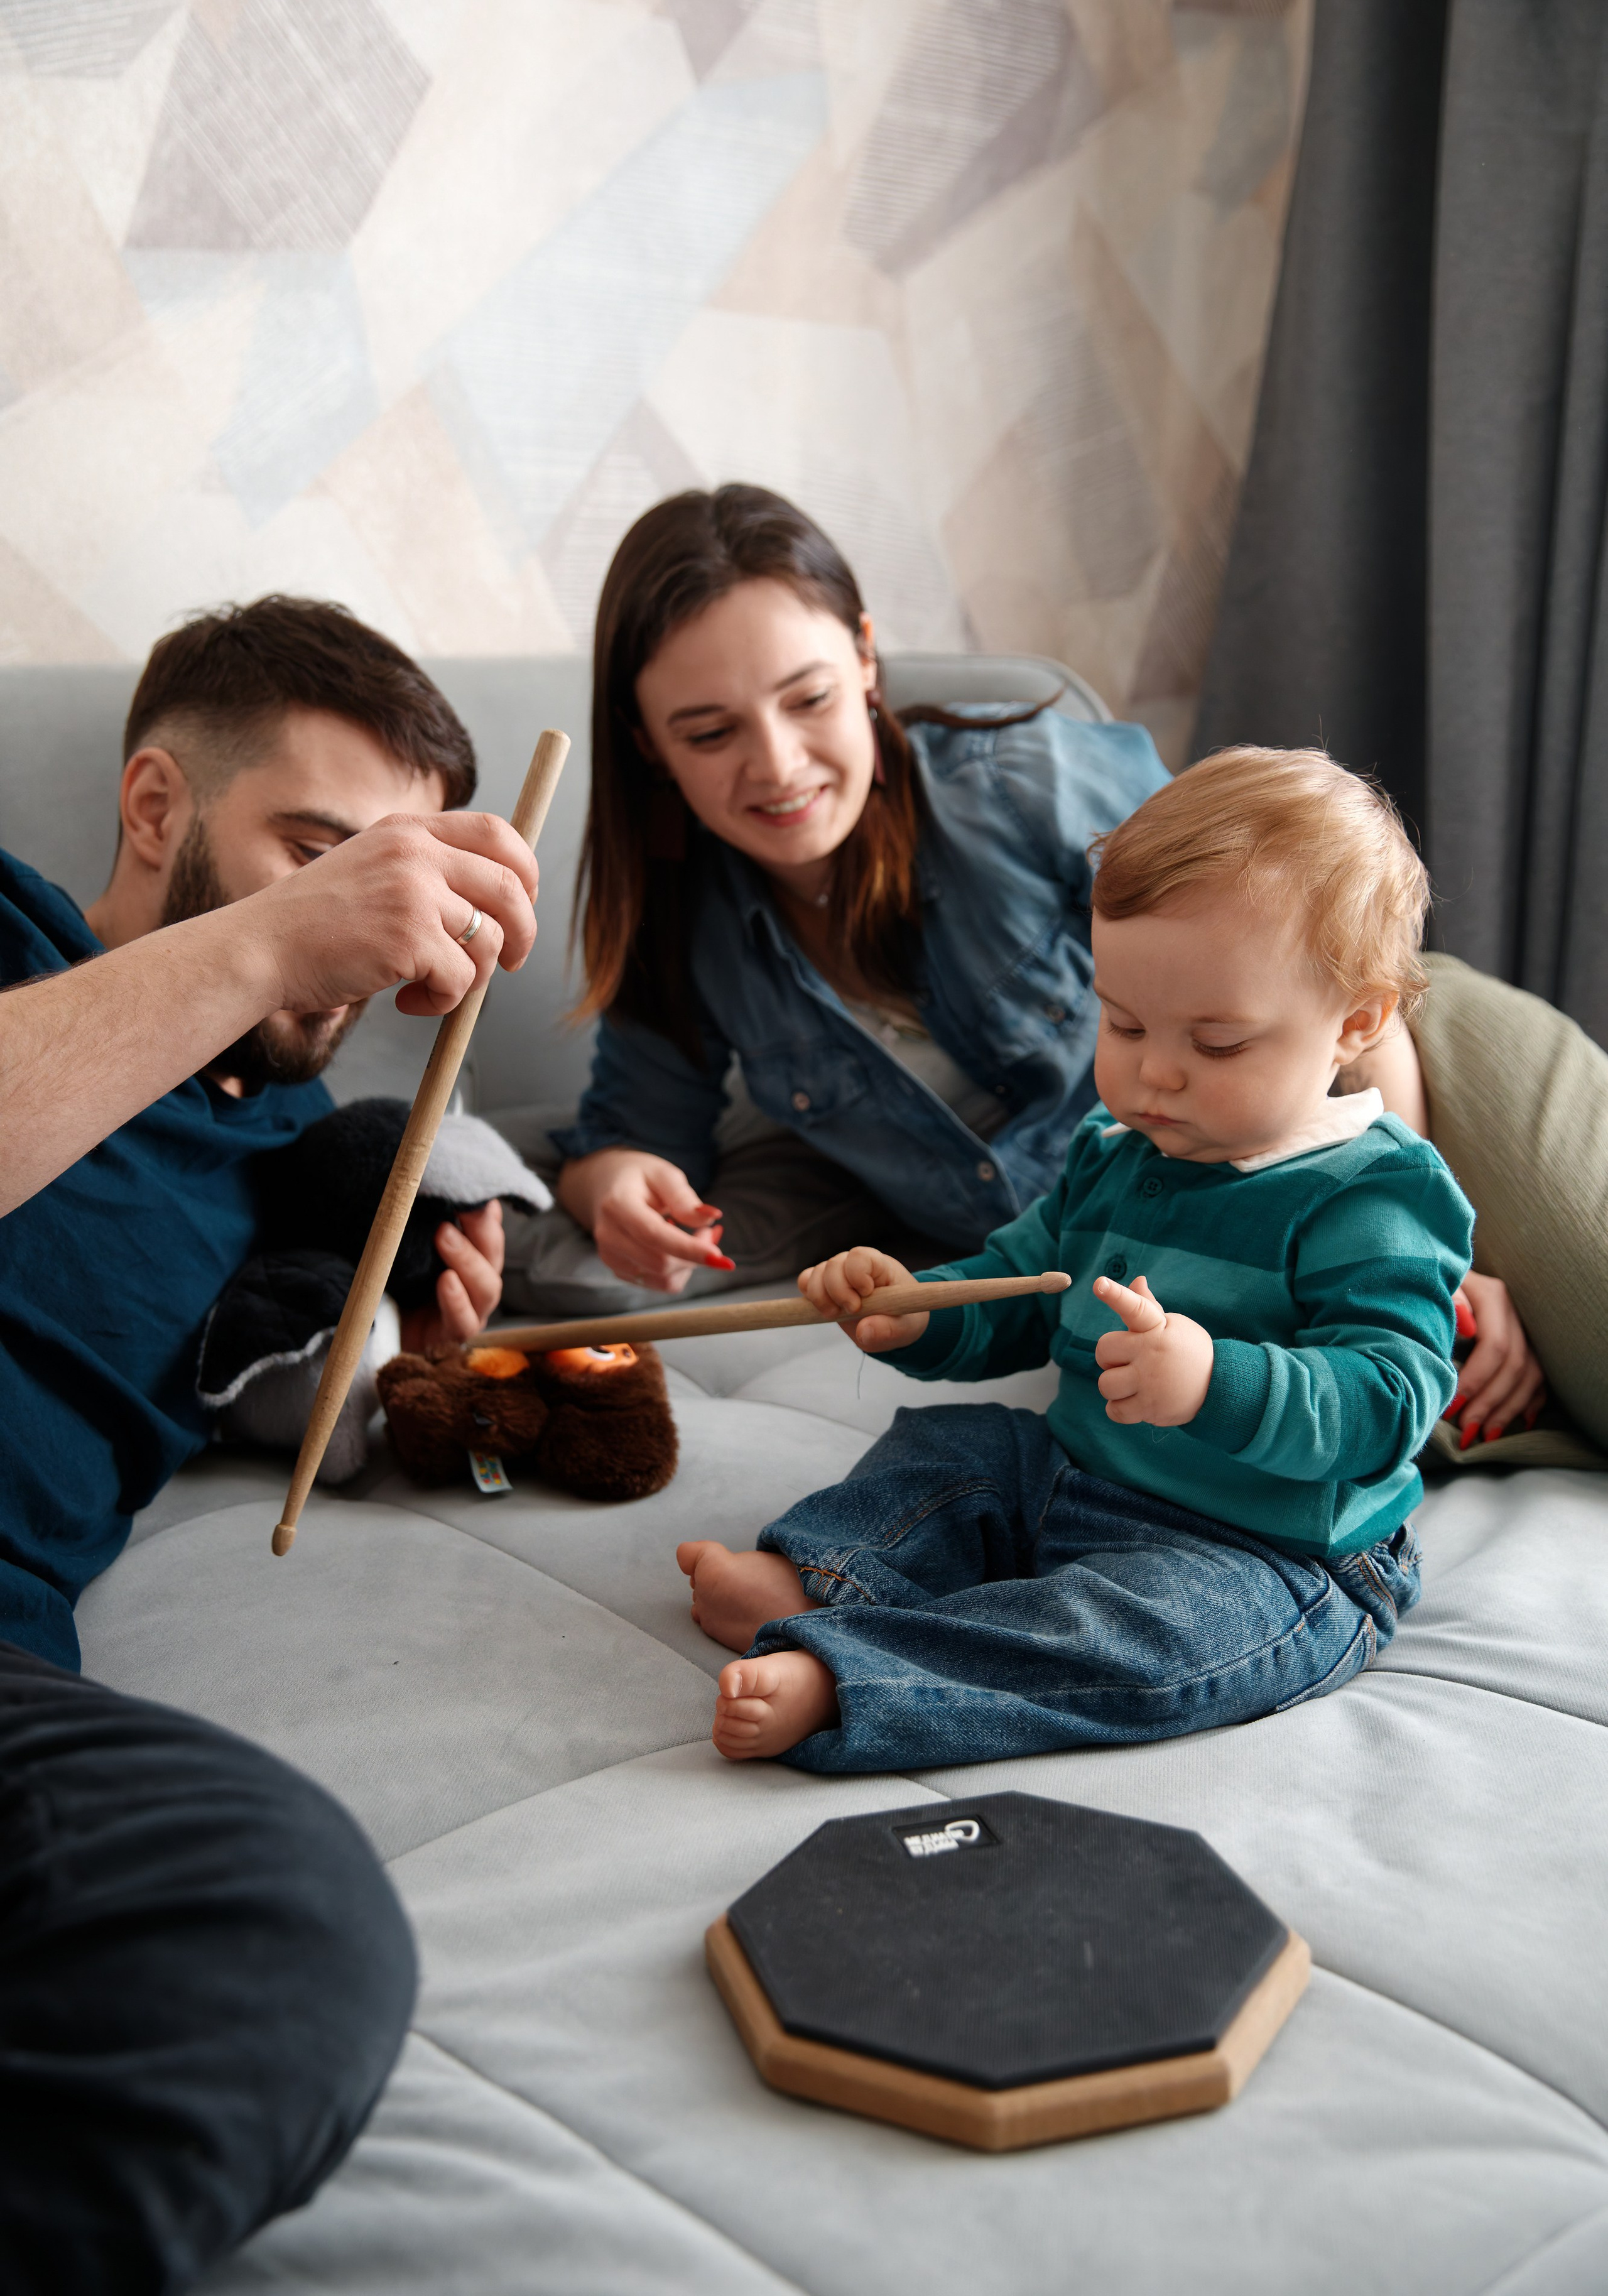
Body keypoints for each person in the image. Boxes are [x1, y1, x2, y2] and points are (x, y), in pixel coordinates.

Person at [519, 482, 1542, 1445]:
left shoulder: (1026, 786)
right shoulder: (684, 932)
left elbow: (1290, 937)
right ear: (649, 744)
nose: (779, 765)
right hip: (1182, 1235)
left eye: (810, 699)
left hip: (1389, 1048)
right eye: (710, 732)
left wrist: (1439, 1255)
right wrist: (613, 1185)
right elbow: (627, 1138)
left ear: (868, 659)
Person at [0, 595, 542, 2289]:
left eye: (400, 882)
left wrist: (431, 1363)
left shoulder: (294, 1163)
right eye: (321, 855)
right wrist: (260, 942)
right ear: (157, 810)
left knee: (286, 1934)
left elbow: (321, 1396)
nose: (375, 934)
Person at [675, 749, 1475, 1770]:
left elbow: (1390, 1398)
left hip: (1272, 1552)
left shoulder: (1377, 1194)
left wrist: (1214, 1381)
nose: (1154, 1071)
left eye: (1218, 1043)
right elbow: (1024, 1283)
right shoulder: (1117, 1150)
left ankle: (857, 1677)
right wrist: (921, 1311)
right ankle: (826, 1572)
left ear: (1355, 1023)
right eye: (1123, 1020)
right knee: (953, 1453)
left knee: (1135, 1645)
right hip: (1078, 1474)